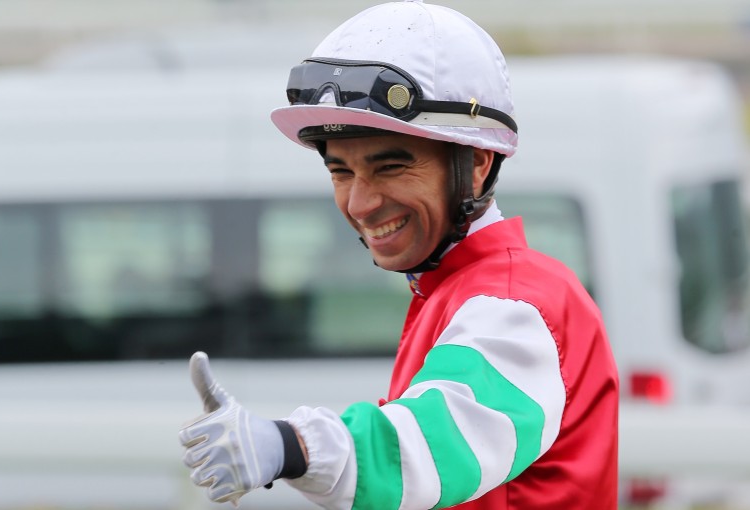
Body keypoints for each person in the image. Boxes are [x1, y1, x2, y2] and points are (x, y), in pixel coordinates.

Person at [178, 1, 619, 508]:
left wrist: (289, 447)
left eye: (389, 167)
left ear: (475, 164)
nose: (360, 203)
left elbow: (426, 446)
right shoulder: (455, 288)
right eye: (340, 172)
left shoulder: (515, 305)